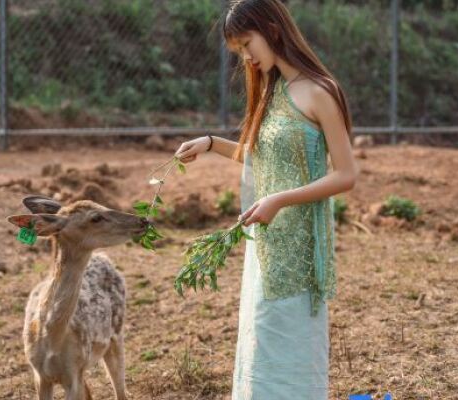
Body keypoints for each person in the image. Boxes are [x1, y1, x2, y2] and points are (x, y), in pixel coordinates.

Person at [174, 0, 360, 398]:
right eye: (238, 50)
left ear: (273, 29)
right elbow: (259, 155)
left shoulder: (320, 92)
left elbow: (346, 175)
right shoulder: (273, 92)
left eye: (246, 43)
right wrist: (209, 143)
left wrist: (280, 199)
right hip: (267, 245)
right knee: (261, 344)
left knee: (292, 349)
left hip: (300, 250)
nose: (245, 56)